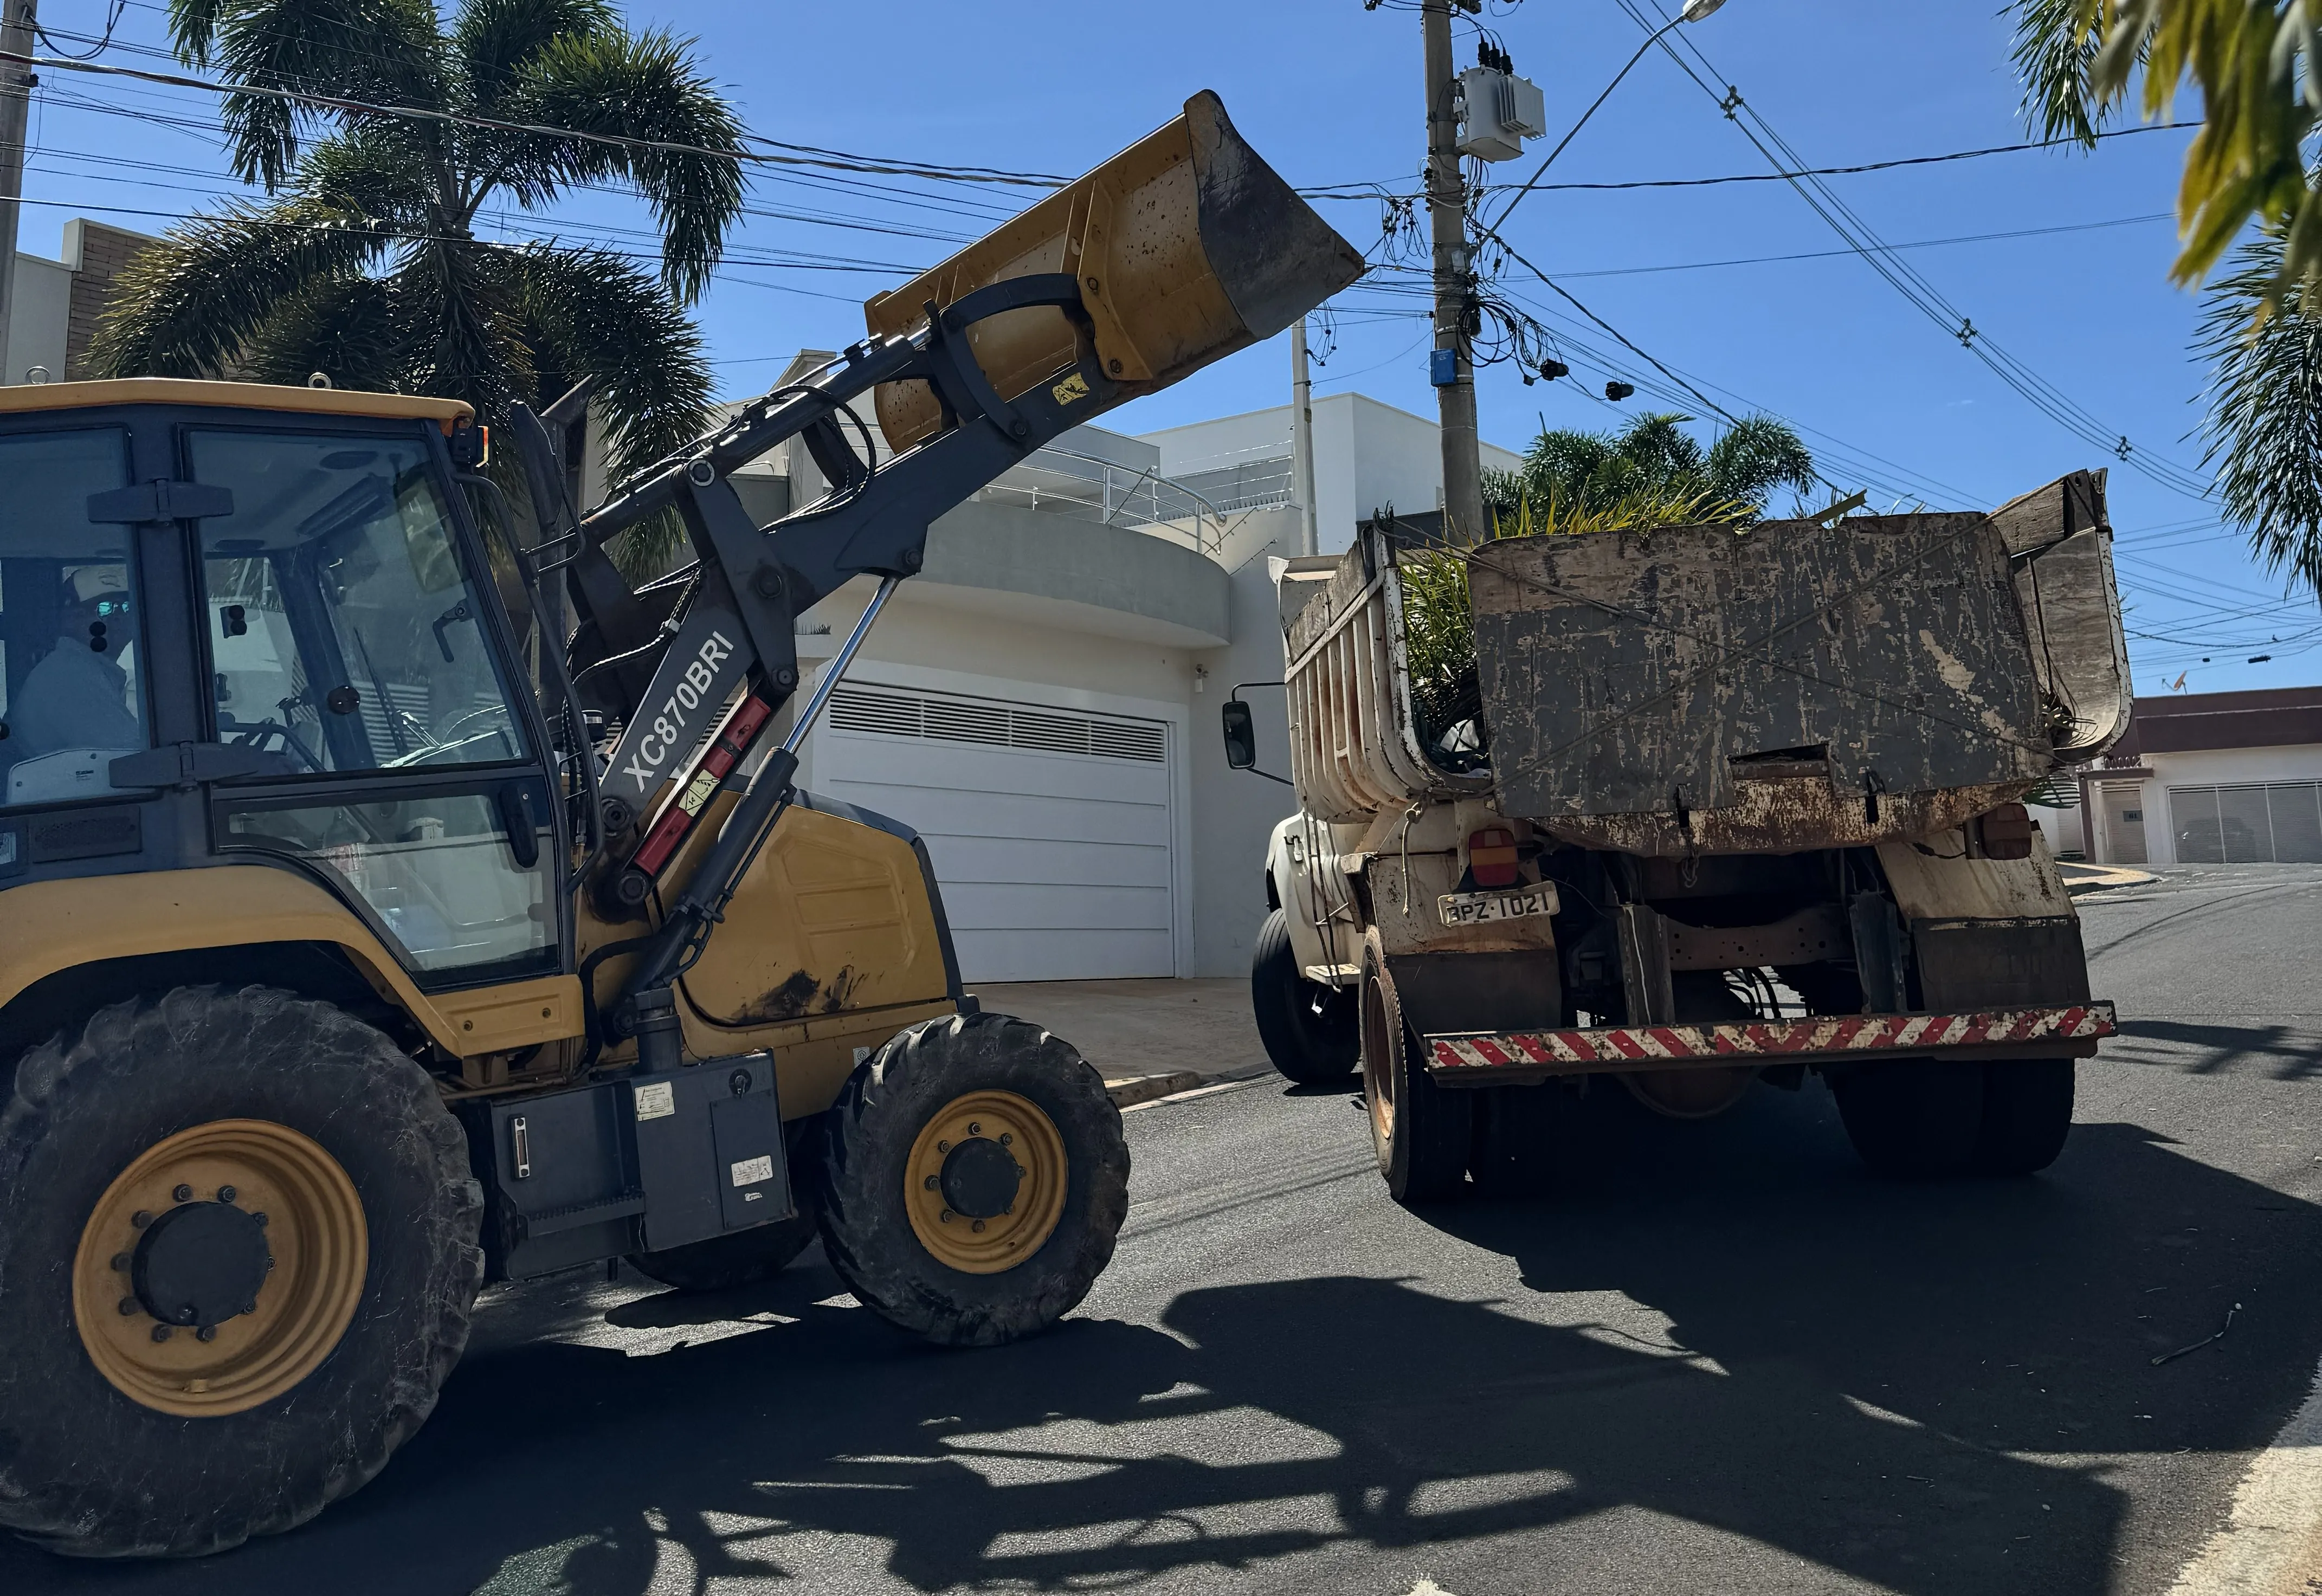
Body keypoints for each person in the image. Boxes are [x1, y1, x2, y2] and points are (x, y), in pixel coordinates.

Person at [8, 565, 144, 761]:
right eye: (104, 608)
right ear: (72, 619)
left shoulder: (85, 667)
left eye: (126, 606)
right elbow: (129, 755)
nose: (119, 616)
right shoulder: (69, 673)